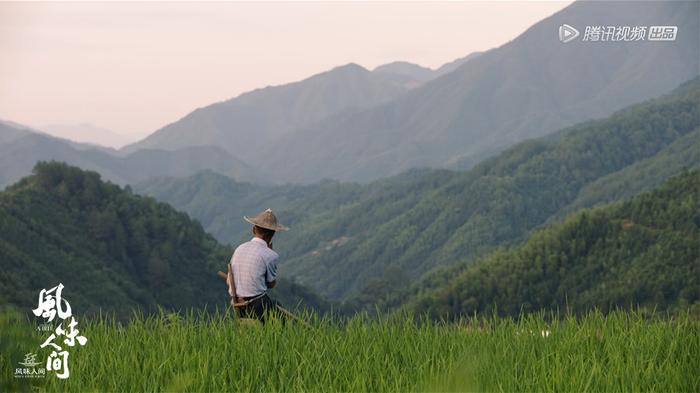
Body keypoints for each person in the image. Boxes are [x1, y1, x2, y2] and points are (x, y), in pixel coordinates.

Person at [228, 208, 289, 323]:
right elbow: (271, 284)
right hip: (257, 305)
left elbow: (228, 281)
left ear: (253, 229)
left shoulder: (239, 248)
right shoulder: (271, 255)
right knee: (278, 308)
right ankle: (282, 338)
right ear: (272, 234)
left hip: (236, 304)